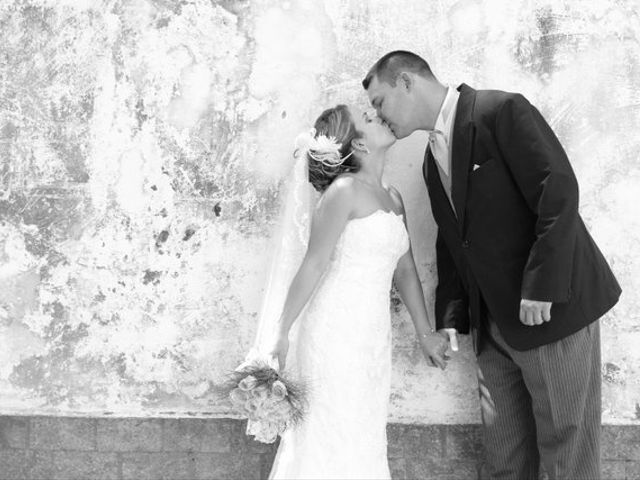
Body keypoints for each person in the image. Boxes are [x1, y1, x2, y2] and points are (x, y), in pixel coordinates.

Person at [363, 51, 621, 480]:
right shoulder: (431, 159)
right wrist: (453, 315)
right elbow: (452, 241)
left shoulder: (500, 110)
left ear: (406, 81)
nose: (380, 116)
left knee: (566, 451)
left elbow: (557, 191)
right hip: (493, 329)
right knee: (505, 457)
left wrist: (542, 285)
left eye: (379, 103)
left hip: (549, 312)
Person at [265, 104, 448, 479]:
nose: (377, 115)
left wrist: (425, 334)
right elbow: (314, 264)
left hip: (371, 339)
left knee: (363, 433)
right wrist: (281, 331)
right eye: (367, 119)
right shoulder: (343, 191)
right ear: (359, 146)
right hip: (334, 334)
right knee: (331, 434)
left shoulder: (393, 197)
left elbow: (407, 270)